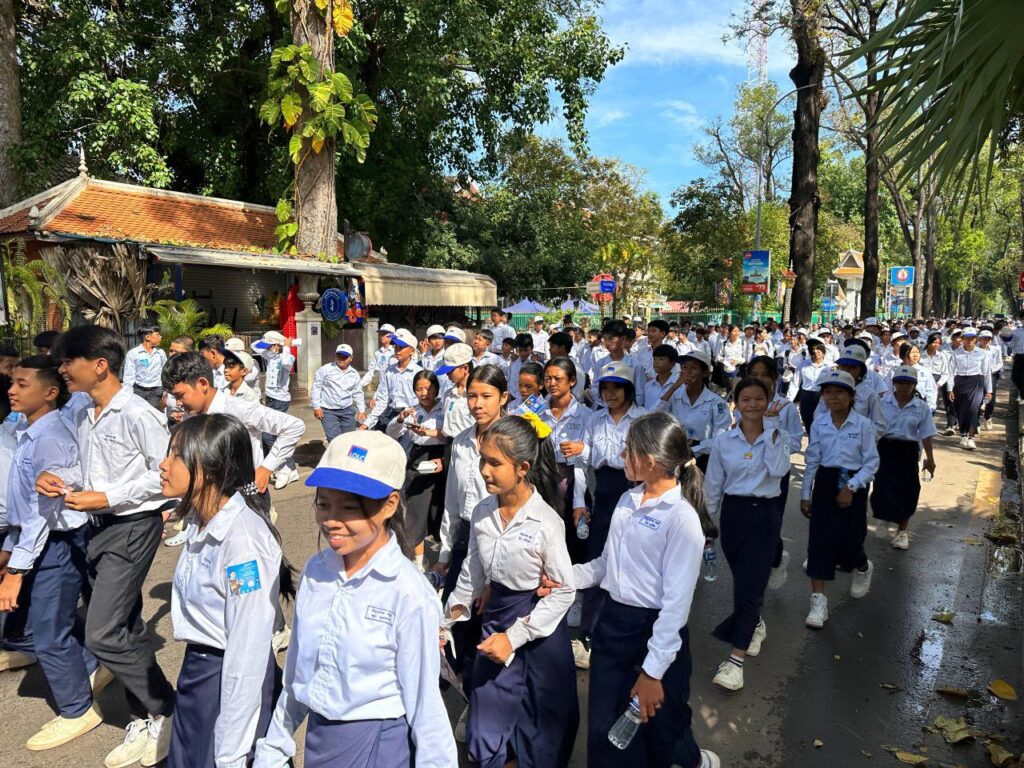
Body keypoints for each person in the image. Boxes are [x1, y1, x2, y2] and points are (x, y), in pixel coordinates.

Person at [254, 432, 457, 768]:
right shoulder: (316, 572)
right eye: (323, 504)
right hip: (320, 741)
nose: (332, 520)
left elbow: (425, 704)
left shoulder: (407, 592)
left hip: (378, 746)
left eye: (349, 508)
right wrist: (275, 745)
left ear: (390, 504)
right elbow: (298, 673)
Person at [38, 326, 177, 767]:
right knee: (126, 627)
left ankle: (167, 708)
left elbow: (167, 476)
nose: (62, 370)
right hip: (95, 527)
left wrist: (108, 496)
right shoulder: (82, 411)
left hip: (132, 525)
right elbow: (90, 471)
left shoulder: (138, 414)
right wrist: (61, 480)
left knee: (101, 632)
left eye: (69, 361)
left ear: (100, 365)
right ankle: (143, 715)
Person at [566, 411, 720, 768]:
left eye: (628, 450)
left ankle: (693, 761)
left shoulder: (681, 518)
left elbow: (676, 606)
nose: (621, 456)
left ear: (650, 461)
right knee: (606, 728)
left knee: (660, 728)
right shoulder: (628, 500)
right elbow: (606, 564)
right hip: (612, 627)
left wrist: (652, 673)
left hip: (653, 632)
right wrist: (564, 578)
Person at [162, 414, 294, 768]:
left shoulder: (242, 545)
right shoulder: (201, 519)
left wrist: (232, 750)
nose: (163, 464)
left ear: (209, 469)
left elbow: (247, 651)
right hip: (199, 670)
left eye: (176, 456)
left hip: (225, 677)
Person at [445, 415, 578, 768]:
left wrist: (515, 637)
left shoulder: (546, 523)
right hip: (497, 618)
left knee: (539, 718)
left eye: (494, 463)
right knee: (488, 710)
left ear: (522, 468)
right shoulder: (482, 512)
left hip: (539, 627)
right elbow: (472, 573)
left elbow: (563, 591)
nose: (484, 471)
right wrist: (445, 623)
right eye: (482, 460)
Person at [0, 356, 104, 751]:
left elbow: (42, 512)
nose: (12, 390)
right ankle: (91, 664)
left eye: (22, 384)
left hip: (55, 543)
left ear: (50, 392)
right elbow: (24, 507)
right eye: (13, 383)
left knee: (47, 634)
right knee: (35, 626)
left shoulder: (50, 438)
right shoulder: (27, 431)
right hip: (33, 541)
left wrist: (16, 570)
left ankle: (78, 710)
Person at [434, 365, 508, 740]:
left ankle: (489, 710)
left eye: (486, 396)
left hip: (503, 540)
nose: (477, 404)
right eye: (472, 396)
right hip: (467, 538)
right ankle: (469, 698)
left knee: (491, 628)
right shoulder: (462, 442)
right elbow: (452, 501)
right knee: (457, 623)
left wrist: (494, 576)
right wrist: (446, 552)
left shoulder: (515, 439)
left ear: (503, 398)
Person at [704, 377, 791, 692]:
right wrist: (707, 524)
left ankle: (735, 662)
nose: (752, 405)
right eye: (746, 400)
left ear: (768, 402)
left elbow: (779, 470)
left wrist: (772, 430)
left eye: (759, 399)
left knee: (750, 589)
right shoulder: (723, 441)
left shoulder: (779, 436)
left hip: (765, 515)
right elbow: (713, 484)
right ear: (736, 404)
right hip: (734, 515)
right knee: (744, 583)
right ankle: (754, 621)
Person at [573, 360, 644, 670]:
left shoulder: (642, 419)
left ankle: (631, 629)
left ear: (629, 390)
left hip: (635, 491)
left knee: (632, 560)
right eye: (605, 388)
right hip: (603, 491)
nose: (610, 394)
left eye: (617, 388)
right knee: (598, 556)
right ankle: (588, 633)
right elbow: (586, 458)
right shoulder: (595, 419)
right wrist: (579, 501)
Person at [801, 370, 880, 629]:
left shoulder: (863, 425)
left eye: (838, 392)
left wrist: (851, 487)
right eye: (827, 392)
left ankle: (861, 564)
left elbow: (871, 463)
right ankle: (818, 602)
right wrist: (805, 494)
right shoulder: (819, 424)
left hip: (854, 480)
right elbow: (812, 459)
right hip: (826, 481)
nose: (832, 397)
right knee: (819, 542)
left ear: (851, 396)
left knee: (850, 540)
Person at [746, 355, 802, 589]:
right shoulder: (743, 401)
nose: (759, 379)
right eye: (754, 375)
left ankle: (776, 560)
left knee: (771, 522)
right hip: (749, 470)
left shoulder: (785, 407)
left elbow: (796, 441)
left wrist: (775, 439)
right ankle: (757, 567)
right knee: (751, 522)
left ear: (774, 378)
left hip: (776, 474)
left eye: (764, 375)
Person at [872, 366, 937, 552]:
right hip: (884, 448)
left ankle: (902, 532)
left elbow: (926, 434)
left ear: (914, 385)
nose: (903, 386)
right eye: (900, 382)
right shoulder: (881, 403)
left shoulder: (921, 407)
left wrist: (930, 459)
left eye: (908, 383)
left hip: (908, 450)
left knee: (908, 490)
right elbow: (872, 428)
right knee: (882, 487)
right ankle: (884, 516)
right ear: (893, 383)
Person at [386, 370, 447, 568]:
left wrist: (431, 432)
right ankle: (419, 562)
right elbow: (391, 432)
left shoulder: (446, 408)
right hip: (418, 460)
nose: (424, 393)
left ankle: (445, 561)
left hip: (442, 458)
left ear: (436, 389)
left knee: (441, 510)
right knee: (415, 511)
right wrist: (400, 419)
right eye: (419, 389)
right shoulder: (412, 411)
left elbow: (452, 433)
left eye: (428, 388)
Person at [541, 358, 591, 577]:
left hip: (573, 480)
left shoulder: (585, 415)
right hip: (543, 479)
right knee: (546, 531)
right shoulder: (536, 411)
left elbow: (591, 455)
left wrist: (582, 448)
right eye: (547, 378)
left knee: (573, 533)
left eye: (557, 378)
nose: (552, 383)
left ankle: (573, 581)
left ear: (571, 381)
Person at [658, 349, 731, 473]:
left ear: (705, 373)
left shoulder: (716, 403)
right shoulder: (674, 396)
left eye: (694, 368)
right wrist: (674, 387)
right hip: (674, 455)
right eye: (684, 367)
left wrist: (694, 449)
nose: (688, 372)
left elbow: (721, 439)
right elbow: (656, 416)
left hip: (703, 460)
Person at [252, 331, 298, 489]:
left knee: (269, 436)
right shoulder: (270, 356)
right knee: (269, 434)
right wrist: (268, 340)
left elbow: (286, 362)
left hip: (280, 401)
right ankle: (282, 467)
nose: (267, 349)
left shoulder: (288, 357)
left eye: (270, 346)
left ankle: (288, 467)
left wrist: (286, 346)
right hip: (270, 399)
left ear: (277, 346)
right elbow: (254, 346)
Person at [362, 329, 422, 432]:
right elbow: (382, 400)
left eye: (401, 348)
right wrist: (367, 423)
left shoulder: (418, 372)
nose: (397, 350)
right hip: (392, 413)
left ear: (412, 351)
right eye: (395, 347)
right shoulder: (389, 371)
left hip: (410, 416)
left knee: (404, 442)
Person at [311, 344, 366, 442]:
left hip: (347, 411)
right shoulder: (325, 370)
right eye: (339, 356)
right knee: (334, 440)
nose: (341, 359)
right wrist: (316, 406)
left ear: (351, 358)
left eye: (344, 357)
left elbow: (357, 393)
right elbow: (316, 387)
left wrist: (361, 410)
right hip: (328, 411)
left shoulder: (354, 374)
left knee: (349, 439)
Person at [949, 327, 991, 450]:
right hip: (960, 382)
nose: (970, 340)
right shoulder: (956, 353)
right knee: (961, 410)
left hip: (976, 382)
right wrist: (950, 389)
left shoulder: (982, 353)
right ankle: (963, 435)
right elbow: (950, 372)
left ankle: (971, 438)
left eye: (972, 337)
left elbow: (986, 373)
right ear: (962, 339)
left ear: (976, 339)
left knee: (973, 409)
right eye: (967, 338)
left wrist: (989, 390)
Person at [122, 325, 167, 409]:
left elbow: (165, 371)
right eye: (158, 334)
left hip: (156, 390)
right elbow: (129, 377)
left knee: (151, 412)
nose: (160, 337)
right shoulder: (133, 353)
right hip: (138, 391)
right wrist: (127, 394)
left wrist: (165, 390)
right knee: (138, 412)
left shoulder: (160, 353)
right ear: (148, 337)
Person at [437, 343, 475, 438]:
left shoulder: (476, 394)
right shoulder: (448, 394)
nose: (447, 374)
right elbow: (445, 428)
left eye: (451, 371)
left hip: (469, 443)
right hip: (450, 443)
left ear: (465, 368)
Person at [921, 332, 955, 436]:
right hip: (922, 381)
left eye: (938, 343)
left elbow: (945, 373)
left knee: (932, 404)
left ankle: (928, 426)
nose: (936, 345)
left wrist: (938, 384)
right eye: (934, 342)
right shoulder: (921, 355)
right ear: (928, 342)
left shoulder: (942, 356)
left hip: (936, 382)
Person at [796, 339, 829, 432]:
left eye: (818, 349)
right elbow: (795, 383)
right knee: (808, 421)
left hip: (822, 396)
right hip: (806, 396)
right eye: (812, 349)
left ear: (823, 350)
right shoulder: (803, 364)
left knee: (821, 423)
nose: (815, 352)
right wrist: (789, 400)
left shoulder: (829, 366)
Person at [978, 329, 1003, 431]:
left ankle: (987, 416)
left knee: (990, 398)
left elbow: (1000, 363)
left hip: (992, 375)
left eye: (988, 339)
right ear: (979, 339)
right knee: (977, 397)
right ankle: (976, 421)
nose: (986, 341)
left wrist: (991, 370)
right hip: (978, 375)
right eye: (984, 338)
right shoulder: (975, 349)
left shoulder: (996, 349)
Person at [360, 323, 396, 391]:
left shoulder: (395, 352)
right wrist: (360, 385)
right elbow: (371, 371)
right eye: (381, 334)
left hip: (394, 388)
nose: (381, 336)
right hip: (382, 388)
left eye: (384, 334)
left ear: (392, 335)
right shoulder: (378, 353)